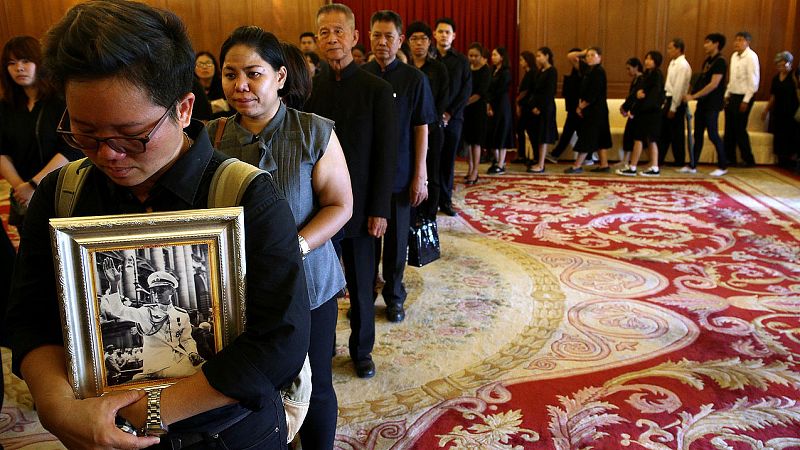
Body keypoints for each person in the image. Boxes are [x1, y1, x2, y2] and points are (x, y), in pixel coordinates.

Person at [5, 1, 310, 448]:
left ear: (184, 109)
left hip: (228, 434)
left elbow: (280, 340)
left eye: (131, 135)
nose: (108, 154)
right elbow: (32, 319)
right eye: (85, 133)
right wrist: (56, 408)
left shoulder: (246, 195)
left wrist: (149, 413)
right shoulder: (61, 193)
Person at [207, 26, 352, 449]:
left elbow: (340, 205)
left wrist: (296, 248)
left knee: (315, 384)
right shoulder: (213, 136)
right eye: (230, 74)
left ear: (281, 77)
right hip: (236, 289)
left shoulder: (314, 132)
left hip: (307, 283)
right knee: (252, 381)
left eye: (254, 73)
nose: (241, 86)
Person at [305, 3, 398, 380]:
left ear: (355, 37)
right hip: (319, 209)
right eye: (324, 32)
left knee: (361, 285)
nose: (331, 39)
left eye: (338, 31)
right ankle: (324, 345)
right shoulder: (309, 89)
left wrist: (380, 209)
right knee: (323, 285)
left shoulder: (377, 89)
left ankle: (362, 350)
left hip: (362, 207)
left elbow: (386, 155)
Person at [364, 11, 436, 325]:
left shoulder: (414, 79)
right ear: (367, 36)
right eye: (377, 35)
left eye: (388, 36)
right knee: (365, 244)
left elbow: (422, 127)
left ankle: (394, 294)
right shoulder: (361, 76)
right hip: (365, 176)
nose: (382, 42)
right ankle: (365, 296)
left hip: (401, 171)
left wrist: (421, 174)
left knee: (396, 243)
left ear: (400, 40)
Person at [0, 36, 82, 232]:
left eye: (25, 61)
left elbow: (71, 147)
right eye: (11, 63)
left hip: (63, 188)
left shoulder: (60, 101)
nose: (18, 68)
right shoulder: (5, 107)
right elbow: (2, 151)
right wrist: (21, 187)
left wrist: (34, 185)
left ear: (40, 62)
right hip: (24, 195)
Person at [100, 267, 205, 381]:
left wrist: (192, 352)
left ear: (172, 291)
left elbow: (186, 339)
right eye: (153, 290)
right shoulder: (145, 312)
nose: (156, 294)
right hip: (157, 365)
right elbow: (119, 310)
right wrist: (114, 284)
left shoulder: (182, 314)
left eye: (161, 290)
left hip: (179, 359)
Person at [407, 20, 449, 217]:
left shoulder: (438, 68)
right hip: (408, 131)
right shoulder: (403, 68)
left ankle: (430, 214)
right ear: (407, 42)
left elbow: (443, 99)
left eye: (423, 38)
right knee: (411, 171)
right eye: (414, 38)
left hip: (433, 129)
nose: (418, 43)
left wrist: (430, 125)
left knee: (433, 172)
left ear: (429, 41)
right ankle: (413, 211)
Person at [433, 17, 471, 216]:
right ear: (435, 34)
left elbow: (466, 90)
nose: (444, 35)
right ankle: (429, 201)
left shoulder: (462, 61)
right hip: (431, 118)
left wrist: (449, 113)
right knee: (431, 160)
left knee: (448, 162)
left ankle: (445, 201)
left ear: (453, 36)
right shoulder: (429, 59)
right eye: (440, 31)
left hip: (453, 119)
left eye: (448, 32)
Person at [684, 33, 728, 176]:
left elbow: (714, 84)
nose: (705, 45)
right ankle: (693, 164)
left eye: (708, 42)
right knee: (697, 134)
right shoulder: (707, 61)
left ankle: (722, 166)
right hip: (702, 103)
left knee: (713, 134)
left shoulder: (720, 61)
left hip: (713, 104)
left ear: (716, 44)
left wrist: (694, 96)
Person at [616, 51, 665, 176]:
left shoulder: (656, 75)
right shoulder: (647, 75)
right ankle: (650, 167)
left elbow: (652, 96)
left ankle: (635, 167)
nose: (647, 61)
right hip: (645, 113)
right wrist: (629, 105)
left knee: (645, 139)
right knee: (645, 140)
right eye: (646, 58)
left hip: (650, 113)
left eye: (651, 59)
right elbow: (637, 93)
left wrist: (637, 104)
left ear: (656, 61)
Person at [565, 47, 611, 173]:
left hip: (596, 111)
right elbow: (570, 56)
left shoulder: (599, 71)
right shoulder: (588, 70)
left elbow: (593, 94)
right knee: (600, 137)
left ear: (599, 58)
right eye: (588, 55)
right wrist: (583, 53)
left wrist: (581, 106)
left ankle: (577, 165)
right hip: (594, 110)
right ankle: (604, 164)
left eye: (592, 55)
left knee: (587, 137)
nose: (589, 57)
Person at [724, 31, 760, 168]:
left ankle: (748, 159)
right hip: (733, 95)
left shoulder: (751, 57)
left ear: (747, 42)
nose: (737, 43)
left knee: (739, 128)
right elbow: (732, 79)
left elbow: (754, 81)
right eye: (736, 39)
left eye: (740, 40)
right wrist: (727, 94)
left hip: (745, 96)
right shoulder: (734, 56)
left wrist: (746, 100)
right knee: (729, 129)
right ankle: (729, 158)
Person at [761, 51, 800, 170]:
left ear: (790, 64)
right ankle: (781, 160)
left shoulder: (794, 77)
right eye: (779, 65)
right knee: (779, 136)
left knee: (791, 136)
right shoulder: (775, 79)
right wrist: (766, 109)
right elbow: (773, 96)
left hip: (791, 112)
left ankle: (791, 160)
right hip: (778, 111)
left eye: (784, 64)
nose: (781, 67)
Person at [525, 47, 559, 174]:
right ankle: (538, 160)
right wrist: (532, 106)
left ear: (547, 56)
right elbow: (534, 90)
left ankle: (541, 164)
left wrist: (539, 107)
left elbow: (550, 92)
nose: (537, 58)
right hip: (535, 107)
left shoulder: (552, 71)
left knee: (543, 137)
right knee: (537, 135)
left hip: (545, 108)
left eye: (540, 55)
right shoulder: (540, 71)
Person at [659, 38, 691, 168]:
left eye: (670, 48)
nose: (668, 51)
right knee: (664, 132)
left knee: (677, 133)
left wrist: (673, 107)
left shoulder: (682, 65)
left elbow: (678, 87)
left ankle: (679, 161)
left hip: (675, 101)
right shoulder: (673, 63)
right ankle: (659, 159)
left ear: (678, 49)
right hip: (668, 98)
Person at [461, 42, 490, 184]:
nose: (472, 58)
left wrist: (465, 102)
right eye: (470, 55)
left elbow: (481, 92)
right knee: (468, 141)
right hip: (466, 110)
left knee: (476, 142)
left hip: (478, 109)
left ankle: (475, 171)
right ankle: (470, 168)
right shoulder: (467, 68)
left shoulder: (485, 70)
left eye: (475, 56)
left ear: (481, 56)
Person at [551, 47, 583, 161]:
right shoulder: (575, 72)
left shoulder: (583, 71)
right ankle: (555, 154)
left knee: (572, 133)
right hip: (572, 107)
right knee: (569, 132)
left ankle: (556, 154)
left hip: (579, 108)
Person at [485, 46, 514, 175]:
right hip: (492, 104)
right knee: (493, 133)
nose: (493, 57)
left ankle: (501, 163)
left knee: (502, 133)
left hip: (501, 105)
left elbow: (500, 89)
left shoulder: (506, 72)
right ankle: (496, 161)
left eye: (495, 55)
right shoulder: (492, 70)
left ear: (502, 57)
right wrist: (488, 104)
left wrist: (491, 103)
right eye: (492, 55)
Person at [617, 57, 643, 169]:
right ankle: (625, 160)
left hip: (638, 113)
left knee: (634, 137)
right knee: (628, 135)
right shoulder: (635, 79)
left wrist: (625, 107)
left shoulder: (642, 79)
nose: (628, 71)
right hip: (632, 111)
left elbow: (634, 96)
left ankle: (630, 162)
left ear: (636, 67)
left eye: (629, 69)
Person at [515, 50, 537, 165]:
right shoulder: (528, 73)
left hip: (528, 106)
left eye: (522, 60)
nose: (520, 63)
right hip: (524, 106)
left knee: (530, 131)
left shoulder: (532, 72)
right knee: (520, 129)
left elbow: (526, 90)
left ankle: (534, 156)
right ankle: (521, 154)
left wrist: (518, 100)